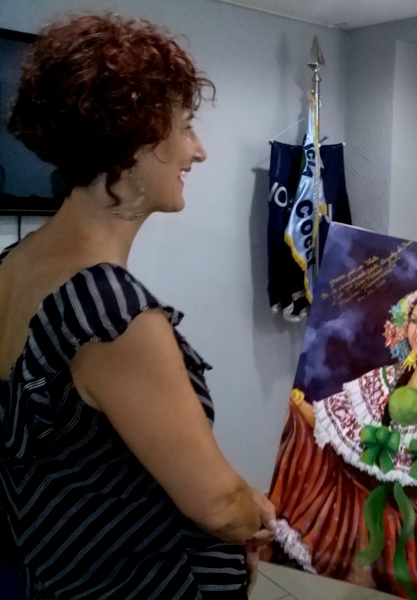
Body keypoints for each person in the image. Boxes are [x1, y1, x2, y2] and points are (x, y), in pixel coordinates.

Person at [0, 14, 276, 598]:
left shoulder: (11, 267)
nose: (197, 151)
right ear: (131, 146)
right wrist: (250, 517)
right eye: (186, 128)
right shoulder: (110, 314)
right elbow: (218, 505)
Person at [264, 274, 417, 600]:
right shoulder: (384, 379)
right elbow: (331, 421)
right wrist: (297, 405)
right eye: (414, 321)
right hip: (367, 493)